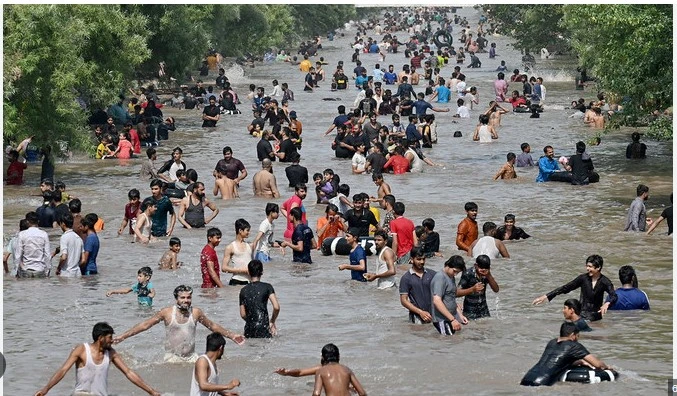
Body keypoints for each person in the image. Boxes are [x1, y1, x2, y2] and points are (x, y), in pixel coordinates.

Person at [113, 285, 245, 361]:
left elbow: (213, 326)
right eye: (182, 297)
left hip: (192, 358)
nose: (186, 300)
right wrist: (123, 336)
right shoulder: (167, 313)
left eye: (189, 297)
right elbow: (145, 325)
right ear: (176, 299)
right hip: (172, 358)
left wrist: (232, 335)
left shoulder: (196, 313)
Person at [35, 322, 161, 396]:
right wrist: (45, 390)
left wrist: (151, 391)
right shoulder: (81, 350)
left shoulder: (111, 353)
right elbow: (63, 371)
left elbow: (129, 373)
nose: (112, 340)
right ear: (101, 338)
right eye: (110, 337)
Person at [520, 322, 612, 387]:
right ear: (573, 335)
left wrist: (580, 362)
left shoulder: (552, 342)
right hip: (542, 383)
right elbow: (598, 365)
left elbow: (556, 361)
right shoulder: (574, 346)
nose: (577, 339)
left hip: (526, 378)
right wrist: (607, 367)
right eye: (577, 336)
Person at [532, 254, 617, 321]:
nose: (587, 268)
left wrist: (607, 303)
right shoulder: (583, 278)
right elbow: (566, 288)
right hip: (581, 316)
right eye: (587, 266)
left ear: (598, 268)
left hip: (596, 318)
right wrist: (547, 296)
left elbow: (614, 296)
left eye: (590, 267)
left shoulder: (605, 281)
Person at [239, 259, 280, 338]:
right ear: (262, 272)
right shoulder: (267, 287)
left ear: (248, 272)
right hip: (263, 327)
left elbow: (243, 314)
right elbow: (276, 307)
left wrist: (251, 321)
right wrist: (272, 321)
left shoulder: (243, 290)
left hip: (249, 329)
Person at [430, 255, 468, 335]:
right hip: (442, 319)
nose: (455, 274)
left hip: (451, 317)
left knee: (455, 343)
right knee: (448, 342)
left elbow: (451, 298)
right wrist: (452, 320)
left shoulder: (450, 277)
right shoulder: (440, 278)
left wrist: (460, 316)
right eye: (454, 271)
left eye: (458, 272)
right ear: (448, 265)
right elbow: (436, 301)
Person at [399, 247, 436, 324]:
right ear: (412, 260)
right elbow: (404, 300)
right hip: (416, 318)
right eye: (419, 259)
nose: (422, 262)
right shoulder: (406, 278)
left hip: (434, 315)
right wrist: (420, 312)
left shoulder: (432, 274)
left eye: (423, 259)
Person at [457, 255, 499, 319]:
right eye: (481, 268)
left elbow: (496, 289)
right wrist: (472, 289)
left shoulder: (487, 274)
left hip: (484, 311)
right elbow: (456, 293)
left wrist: (489, 276)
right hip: (470, 311)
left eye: (486, 268)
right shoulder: (468, 274)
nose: (483, 271)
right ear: (476, 265)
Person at [222, 219, 253, 286]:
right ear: (240, 231)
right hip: (236, 281)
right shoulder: (230, 247)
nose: (249, 233)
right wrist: (242, 270)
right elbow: (224, 268)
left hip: (249, 281)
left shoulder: (249, 246)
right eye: (247, 230)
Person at [389, 201, 415, 266]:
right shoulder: (410, 222)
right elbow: (416, 242)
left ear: (393, 211)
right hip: (411, 252)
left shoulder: (393, 223)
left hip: (402, 253)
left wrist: (393, 257)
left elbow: (395, 242)